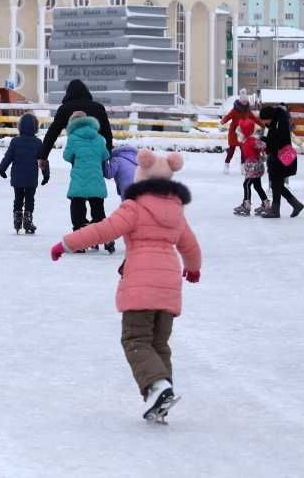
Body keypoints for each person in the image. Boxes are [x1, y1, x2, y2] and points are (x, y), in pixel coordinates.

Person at [51, 149, 201, 424]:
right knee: (158, 343)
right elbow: (190, 245)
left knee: (135, 339)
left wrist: (66, 243)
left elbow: (102, 230)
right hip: (169, 286)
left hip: (140, 285)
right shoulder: (176, 211)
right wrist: (192, 268)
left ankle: (157, 388)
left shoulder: (134, 207)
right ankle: (161, 396)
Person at [62, 111, 114, 253]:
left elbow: (66, 156)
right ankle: (105, 235)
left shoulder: (72, 138)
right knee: (98, 209)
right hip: (96, 178)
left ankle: (81, 233)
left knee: (77, 207)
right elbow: (106, 155)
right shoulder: (99, 138)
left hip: (79, 178)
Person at [38, 79, 114, 170]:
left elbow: (52, 133)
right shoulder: (99, 108)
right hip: (96, 154)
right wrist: (108, 155)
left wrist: (43, 156)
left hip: (77, 154)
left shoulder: (64, 109)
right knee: (96, 179)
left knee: (79, 178)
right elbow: (107, 133)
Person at [0, 113, 49, 233]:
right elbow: (43, 159)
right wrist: (46, 174)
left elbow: (8, 157)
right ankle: (27, 221)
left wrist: (2, 168)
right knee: (30, 199)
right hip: (31, 177)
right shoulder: (37, 142)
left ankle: (17, 220)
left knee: (18, 198)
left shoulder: (15, 142)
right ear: (35, 127)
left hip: (17, 177)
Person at [259, 104, 304, 218]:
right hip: (276, 157)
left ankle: (275, 211)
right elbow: (275, 138)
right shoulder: (275, 123)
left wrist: (268, 142)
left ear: (270, 117)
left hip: (280, 158)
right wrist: (266, 140)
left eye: (265, 119)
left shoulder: (281, 123)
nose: (264, 122)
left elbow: (282, 141)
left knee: (276, 184)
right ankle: (296, 205)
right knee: (278, 184)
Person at [234, 118, 269, 216]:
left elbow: (261, 144)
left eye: (238, 134)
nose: (237, 136)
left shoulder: (251, 140)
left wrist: (264, 145)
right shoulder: (246, 141)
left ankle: (246, 204)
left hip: (255, 168)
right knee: (257, 186)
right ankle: (266, 203)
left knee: (246, 185)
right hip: (253, 167)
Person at [219, 94, 258, 174]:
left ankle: (243, 166)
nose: (244, 103)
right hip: (234, 132)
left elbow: (254, 118)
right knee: (231, 150)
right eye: (243, 101)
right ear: (240, 101)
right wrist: (223, 121)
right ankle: (226, 164)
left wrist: (263, 123)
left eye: (246, 101)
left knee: (244, 150)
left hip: (243, 133)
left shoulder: (248, 110)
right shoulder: (235, 110)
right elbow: (228, 116)